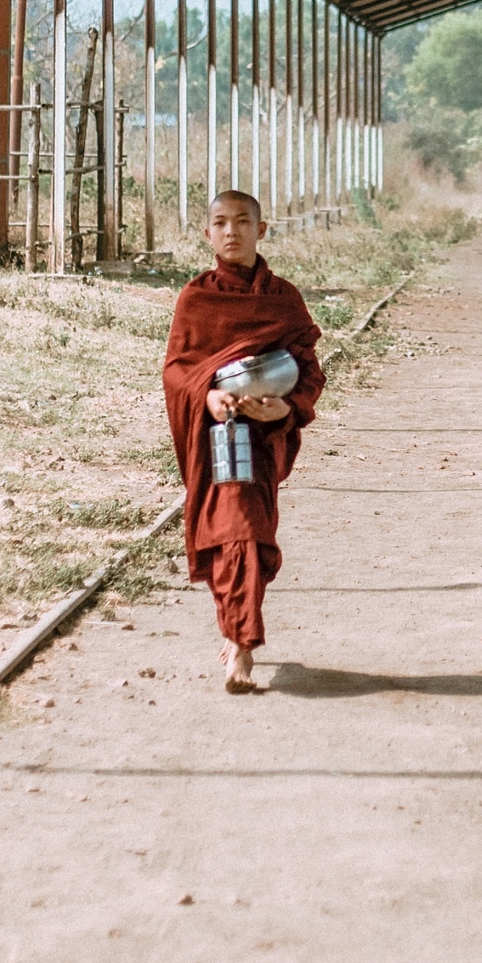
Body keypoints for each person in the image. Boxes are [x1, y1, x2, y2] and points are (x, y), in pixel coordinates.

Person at [160, 188, 325, 692]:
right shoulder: (196, 299)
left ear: (261, 229)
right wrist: (206, 395)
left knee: (251, 532)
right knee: (233, 531)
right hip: (216, 437)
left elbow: (309, 372)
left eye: (242, 222)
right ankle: (242, 647)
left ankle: (238, 634)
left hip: (263, 436)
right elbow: (177, 371)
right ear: (207, 233)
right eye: (220, 223)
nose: (231, 231)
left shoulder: (283, 300)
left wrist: (286, 407)